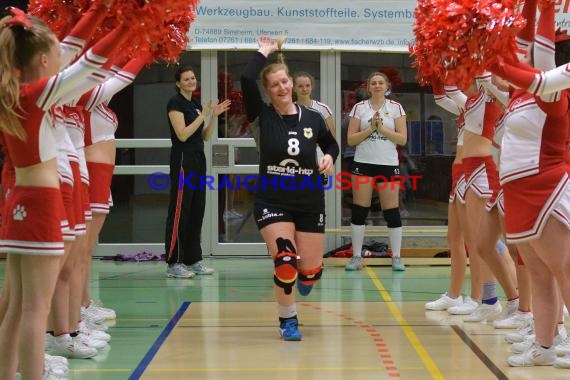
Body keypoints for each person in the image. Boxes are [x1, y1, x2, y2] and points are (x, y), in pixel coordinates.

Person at [0, 6, 126, 378]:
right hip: (40, 207)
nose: (64, 56)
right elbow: (90, 65)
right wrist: (127, 22)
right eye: (56, 53)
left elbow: (73, 52)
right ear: (42, 59)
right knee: (33, 311)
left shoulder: (18, 91)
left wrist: (103, 10)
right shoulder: (37, 95)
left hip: (20, 204)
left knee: (17, 308)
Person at [240, 36, 339, 340]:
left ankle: (309, 275)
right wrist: (265, 51)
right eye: (274, 85)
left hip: (309, 201)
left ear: (292, 83)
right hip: (272, 199)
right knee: (285, 262)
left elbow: (332, 145)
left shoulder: (313, 117)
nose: (281, 88)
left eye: (284, 82)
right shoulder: (262, 117)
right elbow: (246, 77)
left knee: (309, 272)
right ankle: (288, 320)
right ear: (268, 91)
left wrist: (329, 159)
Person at [164, 66, 230, 278]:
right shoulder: (175, 103)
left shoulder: (193, 104)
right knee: (180, 211)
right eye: (186, 79)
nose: (191, 81)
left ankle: (192, 260)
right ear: (178, 83)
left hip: (198, 159)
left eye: (193, 78)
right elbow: (182, 135)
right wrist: (203, 114)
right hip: (183, 160)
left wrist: (212, 117)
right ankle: (174, 263)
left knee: (196, 209)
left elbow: (205, 136)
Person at [345, 72, 407, 271]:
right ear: (368, 87)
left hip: (388, 164)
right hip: (363, 163)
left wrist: (381, 129)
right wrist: (371, 128)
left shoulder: (396, 108)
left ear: (387, 86)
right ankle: (356, 257)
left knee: (391, 211)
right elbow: (351, 140)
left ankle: (396, 257)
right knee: (359, 210)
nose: (377, 85)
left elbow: (402, 139)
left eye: (381, 82)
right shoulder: (359, 108)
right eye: (374, 83)